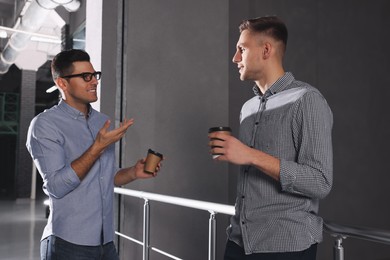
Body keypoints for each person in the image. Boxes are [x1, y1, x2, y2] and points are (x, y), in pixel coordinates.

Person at [208, 16, 333, 260]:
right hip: (238, 242)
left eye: (241, 49)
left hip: (284, 247)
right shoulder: (248, 108)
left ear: (266, 50)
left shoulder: (307, 101)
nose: (235, 58)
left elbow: (320, 182)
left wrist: (250, 155)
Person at [26, 49, 160, 260]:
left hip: (106, 241)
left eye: (94, 75)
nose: (94, 82)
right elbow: (56, 187)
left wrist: (134, 172)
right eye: (85, 77)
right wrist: (97, 147)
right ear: (63, 84)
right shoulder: (45, 125)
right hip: (68, 243)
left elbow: (105, 177)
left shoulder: (101, 121)